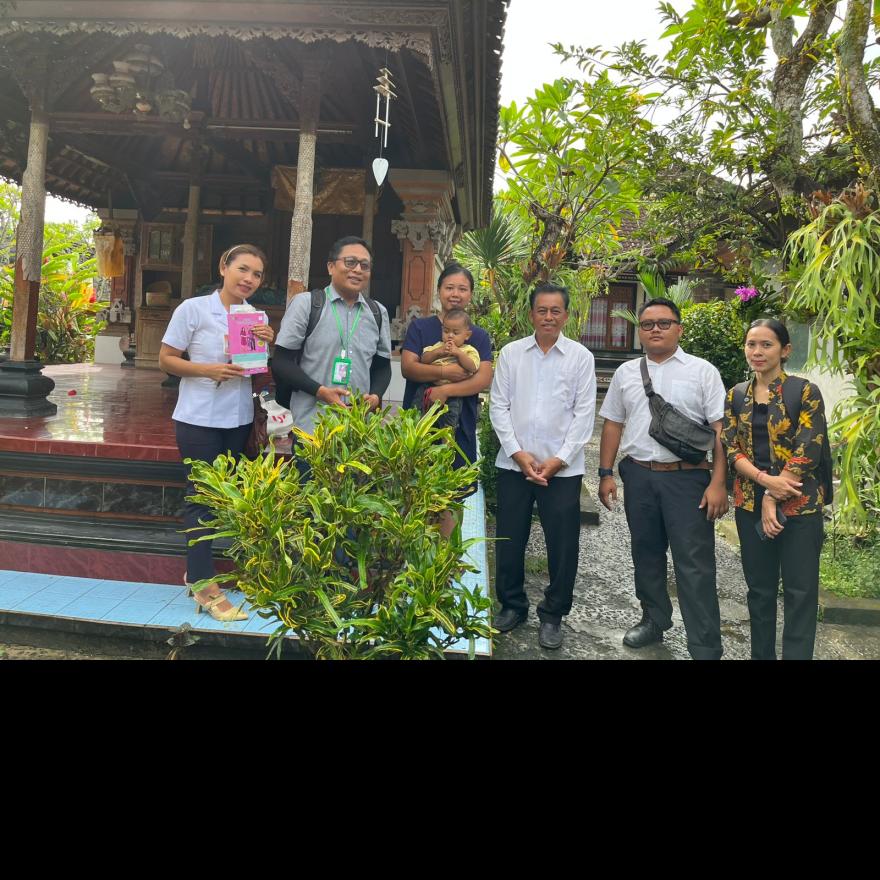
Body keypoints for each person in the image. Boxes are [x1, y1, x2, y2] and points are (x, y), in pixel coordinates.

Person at [598, 297, 729, 660]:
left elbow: (720, 430)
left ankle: (704, 645)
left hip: (688, 480)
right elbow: (613, 423)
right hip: (639, 475)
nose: (655, 329)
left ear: (679, 329)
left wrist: (718, 483)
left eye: (664, 323)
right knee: (646, 553)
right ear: (639, 331)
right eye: (647, 324)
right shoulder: (627, 372)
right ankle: (654, 619)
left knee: (694, 563)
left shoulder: (702, 371)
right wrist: (605, 473)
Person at [159, 243, 275, 622]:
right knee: (201, 499)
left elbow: (254, 368)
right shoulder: (193, 309)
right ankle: (203, 583)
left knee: (225, 500)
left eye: (257, 274)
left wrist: (265, 343)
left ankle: (197, 571)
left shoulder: (253, 316)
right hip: (198, 419)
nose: (249, 279)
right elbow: (166, 360)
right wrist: (207, 370)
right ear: (224, 266)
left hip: (238, 419)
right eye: (243, 269)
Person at [489, 283, 596, 650]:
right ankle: (512, 605)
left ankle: (553, 614)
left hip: (562, 470)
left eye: (555, 311)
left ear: (566, 315)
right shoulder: (511, 354)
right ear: (531, 314)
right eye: (541, 310)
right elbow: (498, 406)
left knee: (563, 545)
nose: (548, 317)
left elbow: (584, 414)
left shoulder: (580, 357)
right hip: (513, 466)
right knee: (509, 538)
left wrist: (558, 459)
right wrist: (518, 453)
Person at [721, 319, 827, 660]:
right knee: (760, 591)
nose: (757, 351)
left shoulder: (804, 391)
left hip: (799, 506)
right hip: (749, 505)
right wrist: (765, 483)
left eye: (766, 345)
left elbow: (809, 447)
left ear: (785, 350)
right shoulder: (737, 394)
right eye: (751, 344)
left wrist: (771, 495)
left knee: (800, 592)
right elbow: (731, 448)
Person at [401, 263, 493, 535]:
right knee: (416, 492)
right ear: (439, 290)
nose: (455, 293)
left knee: (452, 494)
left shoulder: (478, 336)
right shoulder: (420, 328)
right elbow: (409, 368)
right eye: (449, 287)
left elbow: (482, 379)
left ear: (471, 294)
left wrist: (445, 390)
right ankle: (418, 553)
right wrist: (445, 373)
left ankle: (446, 555)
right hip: (420, 423)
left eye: (462, 289)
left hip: (458, 424)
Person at [272, 236, 392, 436]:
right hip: (313, 428)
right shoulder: (306, 304)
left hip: (357, 429)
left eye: (365, 265)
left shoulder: (378, 312)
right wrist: (320, 391)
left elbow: (382, 366)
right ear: (330, 267)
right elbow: (281, 362)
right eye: (350, 262)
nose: (358, 270)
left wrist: (376, 396)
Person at [410, 308, 481, 430]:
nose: (450, 336)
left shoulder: (468, 350)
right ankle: (414, 429)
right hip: (429, 385)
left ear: (467, 335)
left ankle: (447, 436)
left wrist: (458, 353)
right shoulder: (438, 346)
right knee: (417, 410)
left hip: (453, 391)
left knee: (450, 417)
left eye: (456, 333)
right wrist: (437, 352)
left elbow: (473, 367)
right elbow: (424, 359)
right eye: (446, 331)